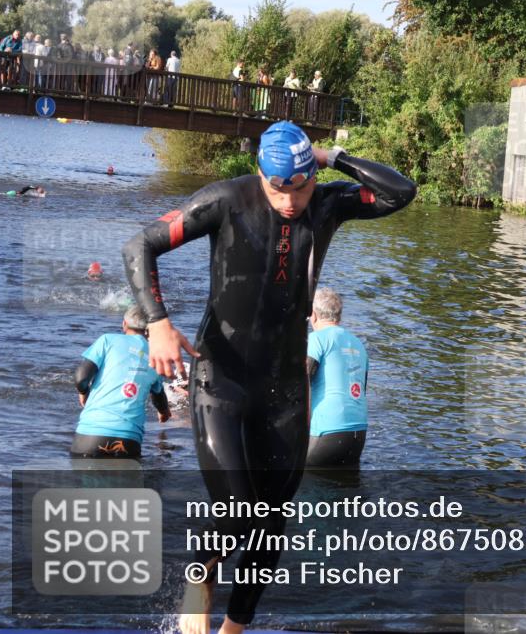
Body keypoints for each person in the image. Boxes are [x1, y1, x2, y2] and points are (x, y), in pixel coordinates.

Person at [121, 121, 416, 634]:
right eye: (278, 188)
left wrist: (331, 157)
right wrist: (158, 324)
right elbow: (138, 247)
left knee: (271, 523)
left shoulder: (326, 204)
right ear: (260, 175)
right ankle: (199, 576)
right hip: (222, 379)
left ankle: (234, 628)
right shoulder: (225, 200)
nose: (290, 201)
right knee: (236, 511)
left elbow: (400, 193)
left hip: (284, 388)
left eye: (300, 186)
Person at [71, 304, 169, 460]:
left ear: (124, 324)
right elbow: (159, 396)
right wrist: (164, 413)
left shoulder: (107, 340)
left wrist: (83, 392)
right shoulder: (156, 355)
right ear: (149, 330)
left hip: (90, 436)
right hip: (129, 440)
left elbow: (81, 378)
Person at [306, 288, 368, 467]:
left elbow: (302, 383)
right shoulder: (359, 344)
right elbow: (361, 388)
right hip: (358, 435)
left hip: (327, 433)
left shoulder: (316, 339)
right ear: (338, 317)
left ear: (313, 315)